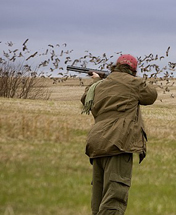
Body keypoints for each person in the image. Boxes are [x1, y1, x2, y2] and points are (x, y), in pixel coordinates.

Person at [81, 54, 158, 215]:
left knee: (99, 200)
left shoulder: (99, 85)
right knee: (114, 200)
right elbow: (151, 95)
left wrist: (97, 81)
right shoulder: (133, 82)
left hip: (97, 144)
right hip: (118, 143)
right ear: (133, 70)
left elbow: (85, 99)